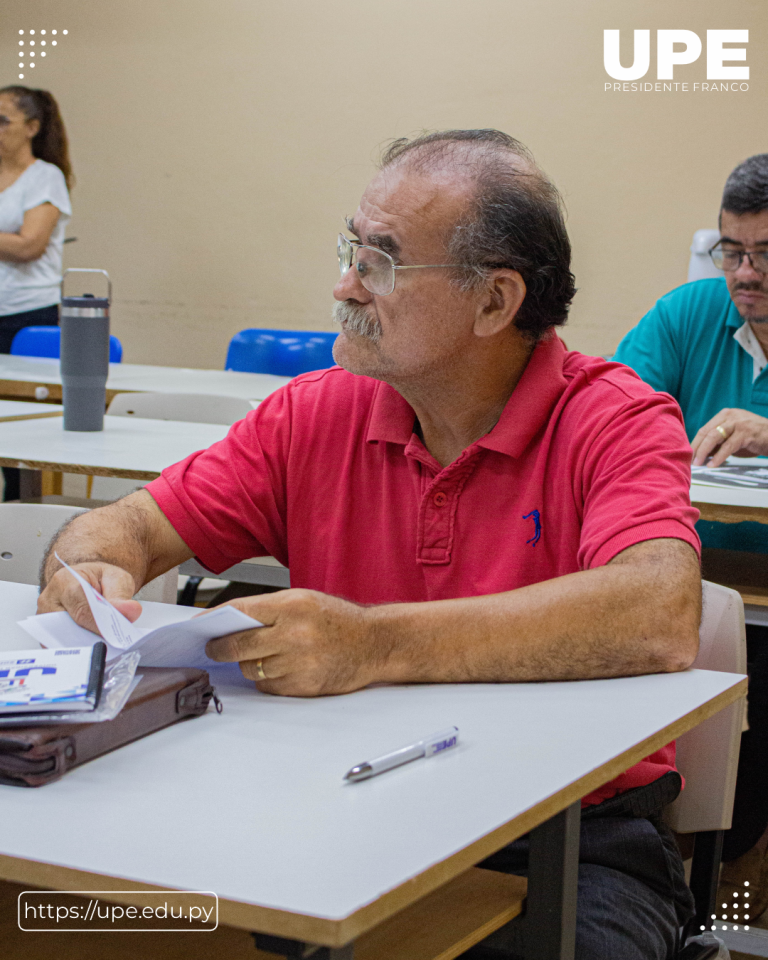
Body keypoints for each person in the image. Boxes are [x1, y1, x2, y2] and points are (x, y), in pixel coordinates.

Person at [38, 130, 701, 959]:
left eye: (380, 262)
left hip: (571, 840)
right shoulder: (319, 412)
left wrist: (373, 643)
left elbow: (659, 610)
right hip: (343, 804)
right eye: (350, 247)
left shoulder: (612, 418)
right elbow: (132, 525)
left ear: (494, 302)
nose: (344, 283)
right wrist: (85, 564)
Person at [614, 154, 768, 915]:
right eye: (732, 251)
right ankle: (670, 873)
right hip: (691, 577)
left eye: (766, 255)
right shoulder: (687, 314)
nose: (745, 274)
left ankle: (732, 870)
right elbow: (608, 420)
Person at [0, 85, 73, 501]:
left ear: (31, 127)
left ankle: (19, 524)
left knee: (21, 435)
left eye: (2, 120)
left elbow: (30, 245)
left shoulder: (45, 176)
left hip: (28, 316)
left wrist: (12, 241)